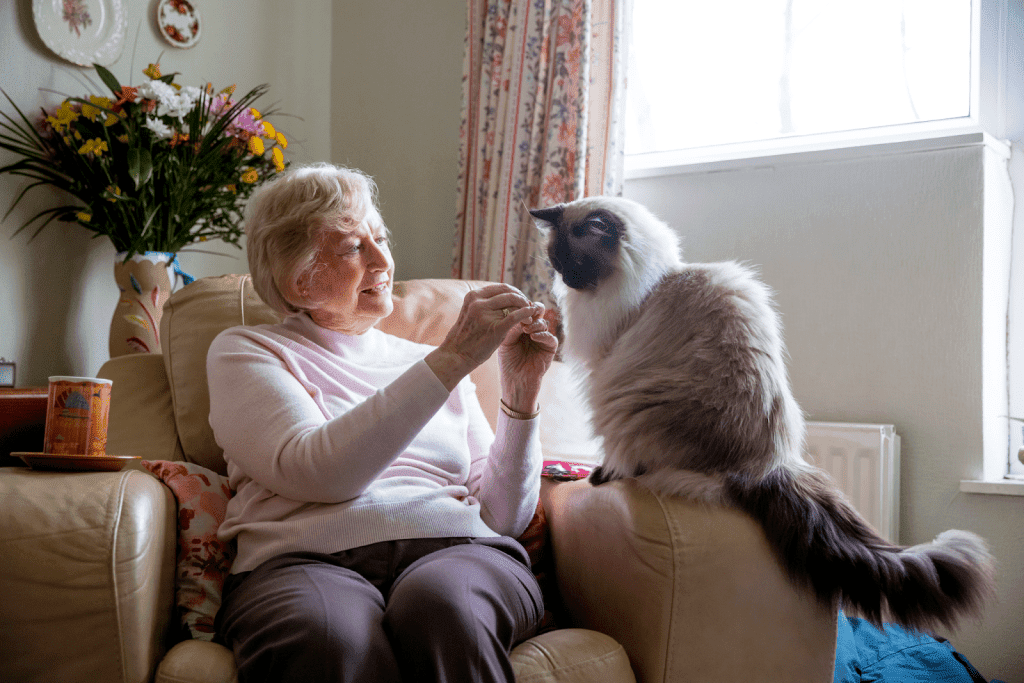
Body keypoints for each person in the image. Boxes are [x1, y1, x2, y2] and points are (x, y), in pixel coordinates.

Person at [207, 162, 558, 683]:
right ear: (299, 280)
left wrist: (521, 395)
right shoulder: (248, 351)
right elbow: (318, 472)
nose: (383, 260)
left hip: (458, 551)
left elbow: (502, 518)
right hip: (302, 561)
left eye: (381, 237)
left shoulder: (435, 366)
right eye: (353, 247)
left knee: (445, 607)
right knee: (328, 635)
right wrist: (451, 358)